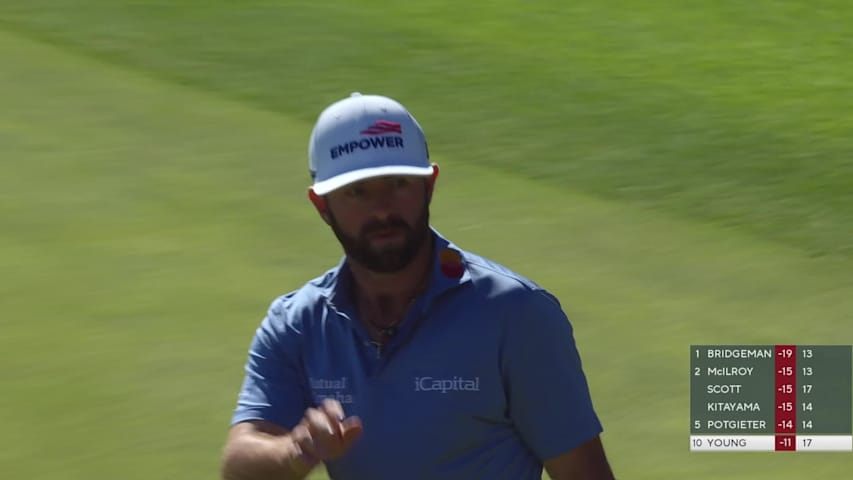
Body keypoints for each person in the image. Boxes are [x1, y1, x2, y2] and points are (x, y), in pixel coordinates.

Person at [221, 92, 615, 480]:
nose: (382, 210)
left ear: (430, 185)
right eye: (357, 192)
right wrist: (297, 450)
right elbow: (239, 462)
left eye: (398, 184)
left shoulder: (516, 315)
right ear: (322, 206)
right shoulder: (297, 322)